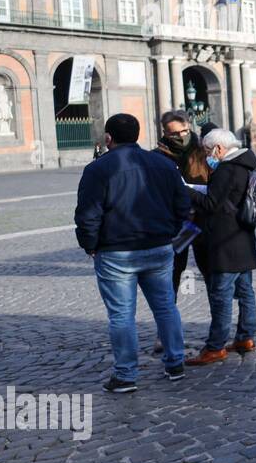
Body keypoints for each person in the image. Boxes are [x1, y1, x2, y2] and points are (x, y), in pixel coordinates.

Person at [74, 113, 192, 392]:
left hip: (116, 252)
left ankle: (126, 375)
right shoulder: (164, 164)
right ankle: (175, 363)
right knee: (165, 306)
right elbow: (183, 205)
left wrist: (89, 244)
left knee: (121, 315)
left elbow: (88, 214)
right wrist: (169, 232)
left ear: (108, 138)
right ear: (138, 135)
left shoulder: (98, 169)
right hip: (159, 247)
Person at [188, 129, 256, 365]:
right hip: (243, 237)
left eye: (208, 151)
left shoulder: (227, 169)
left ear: (219, 149)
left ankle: (215, 346)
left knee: (221, 295)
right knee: (245, 291)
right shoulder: (247, 164)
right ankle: (245, 337)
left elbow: (211, 204)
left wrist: (187, 191)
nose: (207, 156)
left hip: (225, 241)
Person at [154, 110, 211, 294]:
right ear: (165, 133)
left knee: (211, 273)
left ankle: (220, 322)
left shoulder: (204, 151)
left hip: (203, 219)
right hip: (176, 223)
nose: (181, 137)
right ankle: (169, 321)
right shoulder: (157, 157)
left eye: (184, 131)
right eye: (175, 134)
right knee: (172, 273)